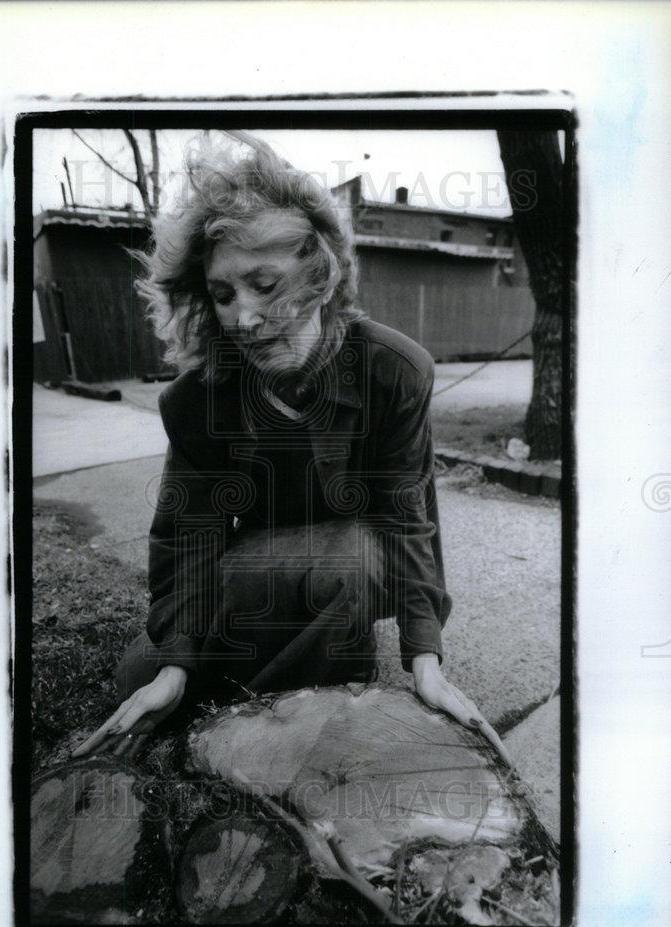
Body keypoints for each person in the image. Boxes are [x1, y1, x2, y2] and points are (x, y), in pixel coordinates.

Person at [72, 132, 509, 765]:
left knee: (346, 562)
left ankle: (309, 740)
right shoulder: (196, 399)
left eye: (265, 285)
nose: (243, 318)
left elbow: (407, 518)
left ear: (322, 272)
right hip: (254, 567)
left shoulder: (393, 372)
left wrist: (424, 659)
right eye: (224, 295)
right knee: (142, 680)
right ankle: (250, 696)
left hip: (355, 563)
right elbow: (187, 534)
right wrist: (174, 664)